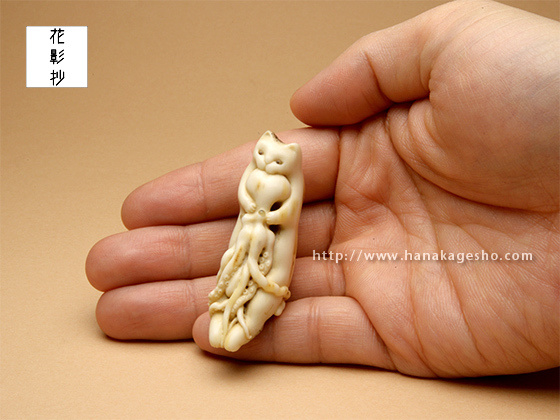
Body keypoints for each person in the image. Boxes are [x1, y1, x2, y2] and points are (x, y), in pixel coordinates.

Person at [86, 0, 559, 377]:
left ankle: (244, 317)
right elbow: (248, 202)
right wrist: (255, 213)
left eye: (276, 159)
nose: (268, 163)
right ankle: (227, 314)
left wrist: (269, 217)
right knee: (232, 273)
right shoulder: (257, 176)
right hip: (249, 234)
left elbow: (285, 211)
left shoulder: (284, 183)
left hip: (267, 239)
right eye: (266, 156)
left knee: (263, 282)